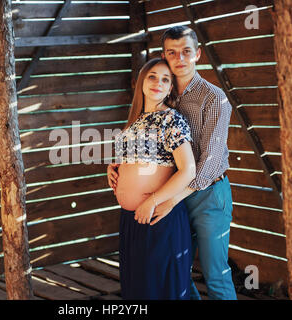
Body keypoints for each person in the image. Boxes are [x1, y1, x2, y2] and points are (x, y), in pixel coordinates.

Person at [107, 26, 237, 300]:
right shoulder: (163, 95)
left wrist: (171, 198)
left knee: (215, 274)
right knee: (178, 271)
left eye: (186, 52)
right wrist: (120, 167)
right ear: (164, 55)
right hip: (172, 191)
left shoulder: (213, 98)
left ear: (198, 54)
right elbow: (155, 149)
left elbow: (209, 162)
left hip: (207, 193)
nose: (180, 58)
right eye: (172, 52)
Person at [108, 58, 196, 300]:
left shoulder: (171, 120)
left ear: (170, 89)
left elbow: (188, 170)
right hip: (131, 220)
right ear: (141, 82)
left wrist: (152, 201)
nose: (159, 82)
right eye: (153, 76)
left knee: (159, 290)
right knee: (136, 290)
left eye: (165, 79)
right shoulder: (133, 122)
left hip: (158, 217)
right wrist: (114, 169)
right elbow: (134, 160)